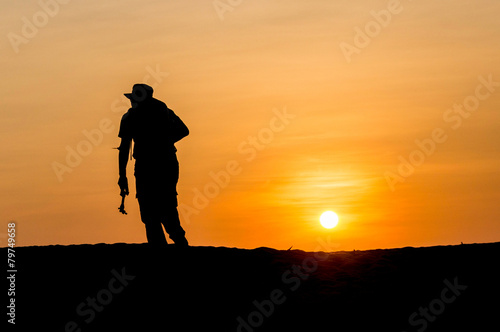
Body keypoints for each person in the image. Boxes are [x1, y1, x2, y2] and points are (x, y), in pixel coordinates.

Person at [117, 83, 189, 248]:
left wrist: (122, 176)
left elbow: (124, 148)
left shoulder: (130, 117)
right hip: (167, 164)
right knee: (166, 208)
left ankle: (163, 252)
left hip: (147, 168)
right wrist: (165, 143)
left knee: (151, 212)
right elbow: (184, 130)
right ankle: (180, 247)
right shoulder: (165, 112)